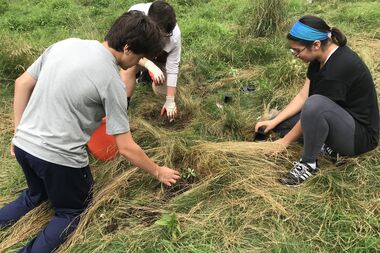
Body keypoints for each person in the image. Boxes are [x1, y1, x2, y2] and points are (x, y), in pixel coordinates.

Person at [1, 11, 180, 253]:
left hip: (24, 147)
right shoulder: (111, 82)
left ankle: (34, 197)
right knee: (72, 212)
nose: (137, 63)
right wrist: (158, 171)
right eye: (139, 57)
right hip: (58, 160)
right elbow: (125, 147)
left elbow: (21, 83)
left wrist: (18, 133)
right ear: (127, 48)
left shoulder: (65, 44)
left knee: (34, 196)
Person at [255, 15, 379, 186]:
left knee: (313, 106)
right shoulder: (319, 58)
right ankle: (323, 145)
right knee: (282, 126)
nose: (295, 55)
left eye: (297, 51)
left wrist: (283, 143)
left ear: (316, 45)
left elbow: (314, 107)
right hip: (338, 117)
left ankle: (308, 163)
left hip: (359, 137)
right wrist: (274, 121)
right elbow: (302, 96)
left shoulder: (339, 67)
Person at [120, 0, 181, 120]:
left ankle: (146, 76)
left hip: (159, 57)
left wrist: (170, 100)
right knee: (128, 67)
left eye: (167, 35)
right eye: (162, 34)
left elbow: (173, 67)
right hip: (136, 55)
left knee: (162, 92)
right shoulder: (134, 19)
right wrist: (149, 65)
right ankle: (122, 107)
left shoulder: (174, 35)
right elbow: (125, 52)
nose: (165, 37)